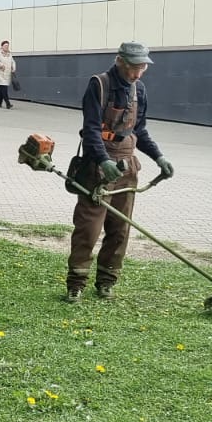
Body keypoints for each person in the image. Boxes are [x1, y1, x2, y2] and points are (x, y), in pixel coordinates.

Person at [64, 40, 174, 303]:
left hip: (127, 166)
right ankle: (76, 283)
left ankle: (107, 281)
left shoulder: (140, 90)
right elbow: (90, 130)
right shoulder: (98, 85)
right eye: (134, 68)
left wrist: (159, 157)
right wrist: (103, 161)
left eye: (143, 68)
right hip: (97, 168)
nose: (137, 74)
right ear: (120, 61)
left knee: (120, 229)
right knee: (89, 228)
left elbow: (140, 130)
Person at [0, 40, 16, 109]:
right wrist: (1, 64)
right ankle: (8, 104)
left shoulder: (9, 54)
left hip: (7, 74)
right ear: (2, 46)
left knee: (2, 89)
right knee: (4, 89)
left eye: (7, 46)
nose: (7, 47)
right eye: (5, 46)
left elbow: (12, 61)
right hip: (0, 74)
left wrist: (13, 68)